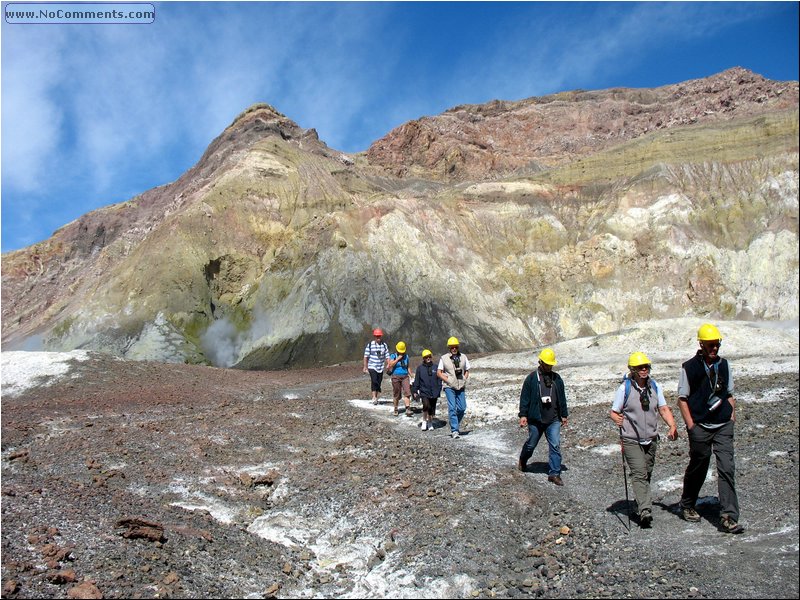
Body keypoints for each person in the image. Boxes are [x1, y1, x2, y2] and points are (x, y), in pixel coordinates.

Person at [677, 323, 743, 534]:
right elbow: (682, 398)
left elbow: (730, 394)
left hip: (723, 424)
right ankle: (687, 503)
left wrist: (731, 416)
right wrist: (691, 426)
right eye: (711, 345)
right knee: (699, 465)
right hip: (700, 426)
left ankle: (729, 517)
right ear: (702, 344)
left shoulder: (724, 365)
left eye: (717, 344)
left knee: (726, 467)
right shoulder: (689, 367)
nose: (714, 348)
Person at [609, 352, 678, 528]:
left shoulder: (654, 386)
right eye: (640, 367)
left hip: (651, 438)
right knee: (639, 473)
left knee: (646, 472)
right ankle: (645, 510)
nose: (644, 370)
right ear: (633, 369)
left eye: (646, 366)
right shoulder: (624, 389)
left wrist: (672, 426)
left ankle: (641, 501)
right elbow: (614, 411)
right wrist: (616, 418)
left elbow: (663, 408)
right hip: (631, 438)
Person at [518, 348, 569, 486]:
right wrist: (523, 415)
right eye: (547, 364)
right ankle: (523, 459)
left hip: (553, 419)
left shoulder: (557, 379)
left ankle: (554, 473)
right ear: (540, 362)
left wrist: (564, 414)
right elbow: (525, 398)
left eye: (551, 364)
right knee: (531, 444)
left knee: (555, 445)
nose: (549, 367)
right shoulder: (531, 379)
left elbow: (562, 398)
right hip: (535, 419)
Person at [437, 336, 470, 439]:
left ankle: (454, 423)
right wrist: (447, 380)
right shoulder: (444, 358)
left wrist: (464, 378)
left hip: (461, 385)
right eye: (452, 347)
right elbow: (439, 372)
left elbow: (467, 369)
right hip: (449, 387)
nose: (454, 349)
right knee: (452, 408)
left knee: (462, 407)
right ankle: (455, 430)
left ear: (458, 347)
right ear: (449, 348)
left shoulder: (463, 357)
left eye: (455, 347)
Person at [411, 349, 442, 431]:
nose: (428, 358)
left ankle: (430, 422)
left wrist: (439, 388)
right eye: (426, 357)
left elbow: (439, 379)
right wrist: (414, 390)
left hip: (434, 391)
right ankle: (424, 421)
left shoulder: (436, 367)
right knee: (426, 405)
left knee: (431, 408)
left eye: (429, 357)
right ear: (423, 358)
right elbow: (417, 380)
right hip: (424, 391)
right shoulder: (420, 368)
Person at [363, 328, 389, 405]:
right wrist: (365, 367)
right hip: (372, 366)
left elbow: (387, 355)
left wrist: (388, 363)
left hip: (380, 367)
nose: (378, 338)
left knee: (379, 381)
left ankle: (376, 397)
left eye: (379, 336)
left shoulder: (384, 345)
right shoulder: (370, 345)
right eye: (377, 336)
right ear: (374, 336)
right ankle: (374, 397)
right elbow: (366, 356)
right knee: (374, 380)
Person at [388, 341, 412, 417]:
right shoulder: (393, 356)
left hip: (405, 376)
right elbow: (390, 365)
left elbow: (408, 366)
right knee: (397, 393)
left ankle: (408, 408)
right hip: (395, 376)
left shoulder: (406, 356)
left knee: (407, 392)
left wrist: (411, 374)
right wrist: (398, 359)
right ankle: (396, 408)